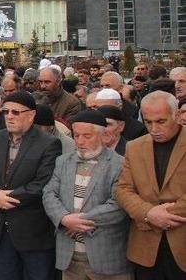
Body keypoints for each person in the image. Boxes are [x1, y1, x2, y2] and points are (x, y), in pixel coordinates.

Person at [0, 90, 62, 280]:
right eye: (6, 112)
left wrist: (7, 198)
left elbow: (43, 183)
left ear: (31, 115)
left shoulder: (49, 144)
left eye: (15, 112)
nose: (9, 116)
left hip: (32, 232)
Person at [42, 110, 132, 280]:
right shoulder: (63, 161)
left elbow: (118, 204)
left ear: (104, 136)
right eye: (76, 136)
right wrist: (64, 219)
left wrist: (77, 221)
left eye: (87, 136)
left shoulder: (120, 164)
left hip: (106, 257)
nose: (80, 141)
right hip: (70, 257)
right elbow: (49, 193)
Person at [115, 91, 186, 278]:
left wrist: (162, 216)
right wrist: (148, 213)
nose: (154, 128)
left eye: (161, 121)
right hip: (145, 249)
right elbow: (123, 189)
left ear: (177, 116)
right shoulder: (135, 146)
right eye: (148, 122)